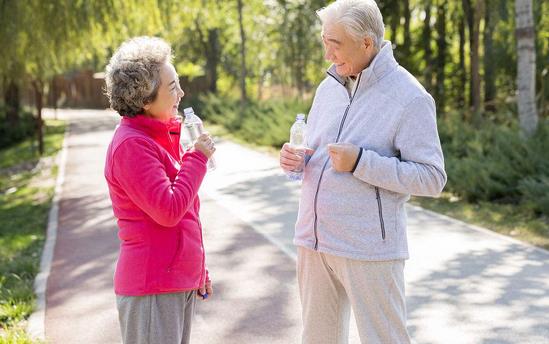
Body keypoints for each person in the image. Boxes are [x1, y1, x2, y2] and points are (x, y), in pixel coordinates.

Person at [279, 1, 447, 343]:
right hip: (314, 242)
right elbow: (318, 153)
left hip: (368, 248)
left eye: (335, 44)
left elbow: (432, 177)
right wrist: (297, 162)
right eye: (324, 41)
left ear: (366, 43)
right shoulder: (329, 87)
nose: (327, 54)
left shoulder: (410, 98)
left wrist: (361, 162)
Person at [104, 36, 215, 344]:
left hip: (174, 281)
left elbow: (187, 212)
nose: (181, 93)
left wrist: (197, 269)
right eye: (172, 87)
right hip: (152, 284)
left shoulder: (158, 138)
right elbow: (168, 210)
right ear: (144, 99)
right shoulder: (131, 146)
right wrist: (197, 158)